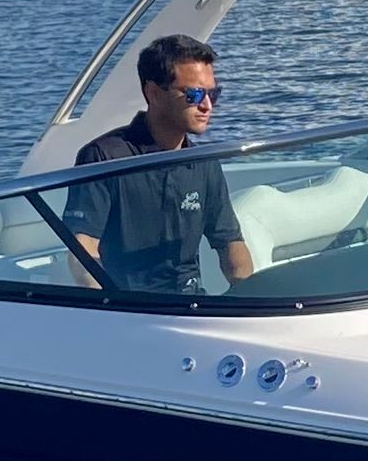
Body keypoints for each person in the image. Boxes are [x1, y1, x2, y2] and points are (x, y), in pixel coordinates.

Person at [64, 34, 252, 292]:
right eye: (195, 94)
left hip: (193, 302)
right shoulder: (102, 157)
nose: (207, 105)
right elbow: (82, 250)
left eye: (213, 93)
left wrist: (250, 293)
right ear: (153, 93)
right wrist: (109, 305)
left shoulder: (203, 163)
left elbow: (230, 242)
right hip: (129, 306)